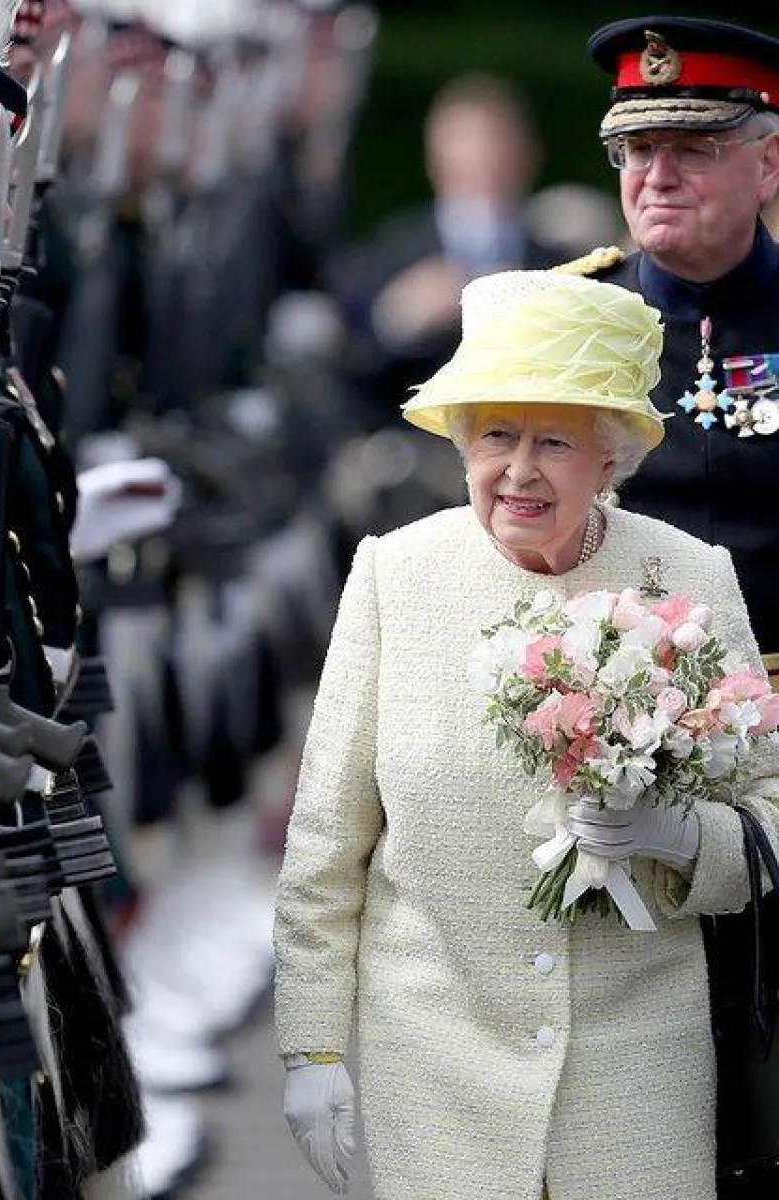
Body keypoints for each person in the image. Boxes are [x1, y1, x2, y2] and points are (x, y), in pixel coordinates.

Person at [273, 269, 779, 1200]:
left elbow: (769, 808)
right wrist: (312, 1045)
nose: (518, 470)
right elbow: (326, 841)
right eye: (496, 436)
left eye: (554, 441)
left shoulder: (691, 576)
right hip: (434, 1057)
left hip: (638, 1057)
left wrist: (679, 836)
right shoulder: (395, 574)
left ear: (610, 459)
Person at [577, 17, 779, 686]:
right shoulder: (570, 317)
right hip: (615, 701)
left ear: (768, 164)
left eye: (693, 150)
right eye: (637, 150)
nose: (657, 177)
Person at [330, 72, 557, 426]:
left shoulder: (561, 267)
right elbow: (343, 381)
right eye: (465, 143)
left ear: (528, 155)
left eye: (494, 141)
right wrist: (396, 322)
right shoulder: (383, 257)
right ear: (433, 156)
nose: (481, 157)